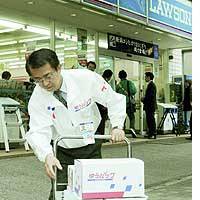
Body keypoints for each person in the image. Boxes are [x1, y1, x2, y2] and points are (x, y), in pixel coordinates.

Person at [25, 48, 126, 200]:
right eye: (38, 80)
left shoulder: (86, 78)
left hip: (90, 147)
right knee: (61, 192)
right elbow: (38, 130)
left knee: (93, 191)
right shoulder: (37, 98)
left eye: (48, 76)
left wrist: (117, 126)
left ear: (59, 68)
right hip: (62, 151)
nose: (45, 83)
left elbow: (113, 99)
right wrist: (47, 155)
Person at [116, 70, 137, 138]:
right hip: (129, 104)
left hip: (121, 105)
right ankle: (132, 128)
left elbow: (115, 94)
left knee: (123, 119)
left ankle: (123, 131)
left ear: (119, 76)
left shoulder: (118, 85)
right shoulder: (129, 83)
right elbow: (134, 91)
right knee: (132, 117)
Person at [141, 72, 157, 139]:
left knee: (150, 119)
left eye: (145, 77)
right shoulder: (150, 85)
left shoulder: (151, 85)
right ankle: (151, 133)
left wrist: (144, 99)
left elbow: (150, 96)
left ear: (149, 77)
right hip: (150, 106)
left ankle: (152, 133)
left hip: (150, 106)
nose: (145, 78)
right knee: (150, 119)